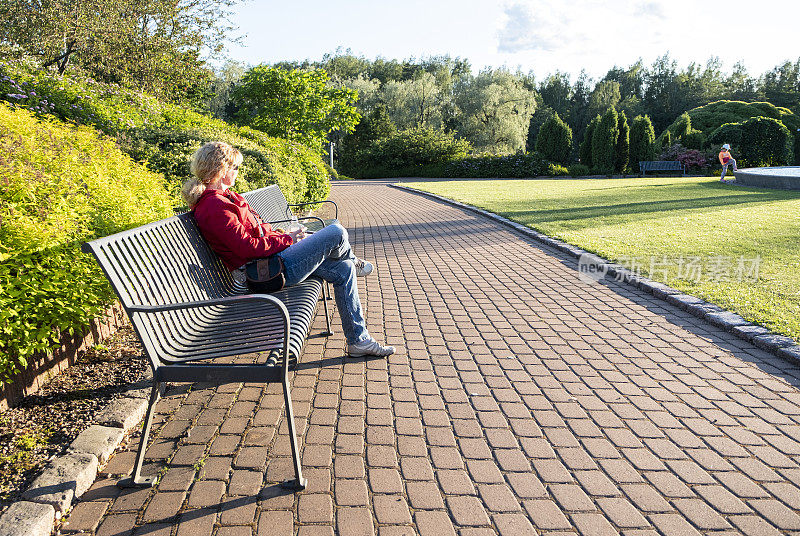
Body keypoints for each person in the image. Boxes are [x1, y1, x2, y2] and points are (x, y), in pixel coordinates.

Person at [181, 141, 395, 358]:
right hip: (265, 272)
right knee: (336, 232)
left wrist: (287, 236)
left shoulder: (227, 198)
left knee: (344, 270)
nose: (237, 172)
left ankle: (359, 341)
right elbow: (247, 248)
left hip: (273, 260)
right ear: (221, 169)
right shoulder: (214, 206)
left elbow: (259, 233)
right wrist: (288, 240)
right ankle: (352, 257)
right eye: (234, 167)